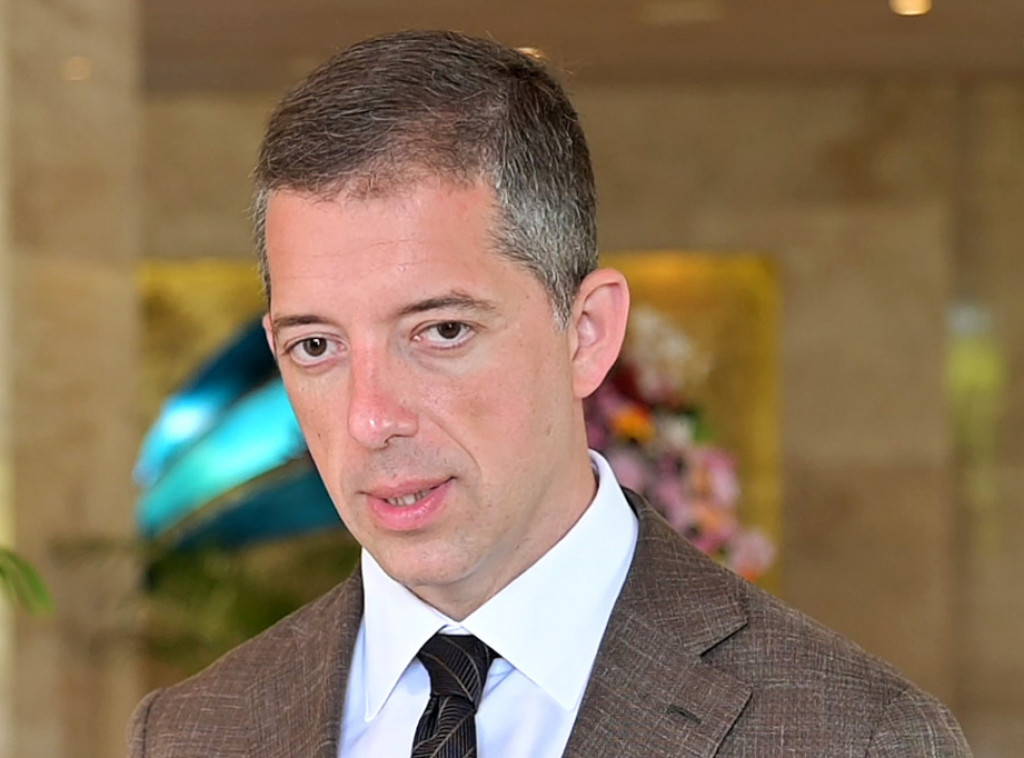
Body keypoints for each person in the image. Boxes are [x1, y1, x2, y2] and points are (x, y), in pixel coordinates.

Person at [127, 30, 971, 758]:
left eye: (441, 330)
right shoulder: (188, 733)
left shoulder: (853, 736)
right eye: (317, 346)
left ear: (587, 333)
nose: (371, 418)